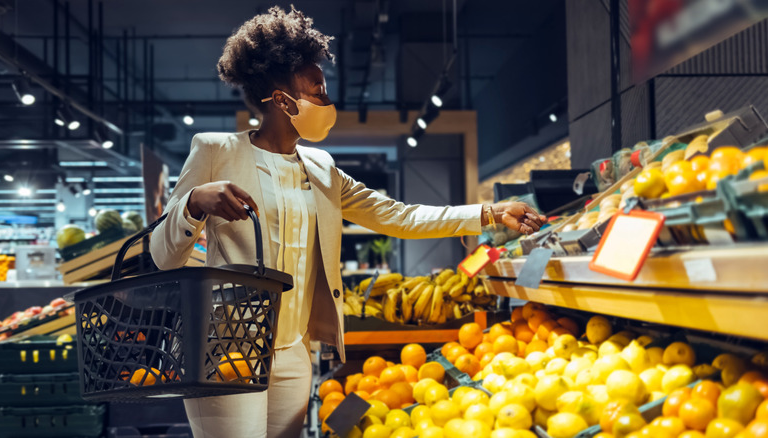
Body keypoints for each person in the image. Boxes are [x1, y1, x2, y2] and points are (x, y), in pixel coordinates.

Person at [149, 6, 546, 438]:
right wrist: (193, 203)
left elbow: (399, 215)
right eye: (317, 90)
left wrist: (488, 213)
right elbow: (162, 255)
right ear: (282, 100)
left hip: (294, 352)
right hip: (224, 348)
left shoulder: (321, 167)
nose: (326, 100)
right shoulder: (214, 150)